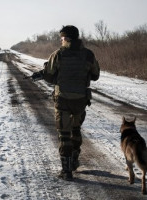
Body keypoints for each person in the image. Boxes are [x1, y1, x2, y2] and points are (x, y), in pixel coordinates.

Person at [31, 25, 100, 181]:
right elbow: (95, 75)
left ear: (66, 38)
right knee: (76, 130)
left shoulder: (58, 54)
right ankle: (74, 158)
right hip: (80, 100)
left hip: (62, 100)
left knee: (64, 134)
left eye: (62, 38)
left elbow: (48, 76)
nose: (61, 41)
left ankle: (67, 170)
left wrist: (50, 74)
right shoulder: (88, 54)